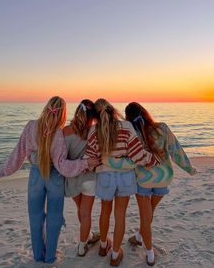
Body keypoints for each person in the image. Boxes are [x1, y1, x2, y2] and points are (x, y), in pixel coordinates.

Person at [0, 96, 100, 264]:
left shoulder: (30, 126)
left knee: (35, 217)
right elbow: (63, 166)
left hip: (36, 176)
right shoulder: (59, 133)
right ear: (62, 113)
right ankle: (50, 258)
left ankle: (38, 256)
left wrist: (2, 172)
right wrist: (86, 163)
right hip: (54, 177)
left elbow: (17, 154)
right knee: (54, 219)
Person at [103, 102, 197, 266]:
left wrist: (107, 162)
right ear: (145, 112)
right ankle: (139, 236)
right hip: (163, 178)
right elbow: (176, 150)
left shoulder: (131, 133)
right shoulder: (162, 128)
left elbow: (130, 159)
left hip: (143, 182)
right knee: (149, 214)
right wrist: (189, 168)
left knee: (145, 218)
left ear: (128, 118)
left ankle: (150, 254)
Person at [84, 98, 158, 267]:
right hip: (125, 176)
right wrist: (153, 160)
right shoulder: (126, 127)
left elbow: (90, 157)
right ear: (112, 109)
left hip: (105, 176)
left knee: (104, 211)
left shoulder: (94, 131)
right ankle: (115, 254)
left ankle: (103, 246)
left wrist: (104, 159)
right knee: (120, 215)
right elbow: (138, 155)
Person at [63, 99, 100, 256]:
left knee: (81, 210)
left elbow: (61, 157)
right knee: (86, 213)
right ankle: (82, 244)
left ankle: (88, 236)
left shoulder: (65, 131)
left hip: (72, 177)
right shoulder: (93, 131)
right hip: (89, 177)